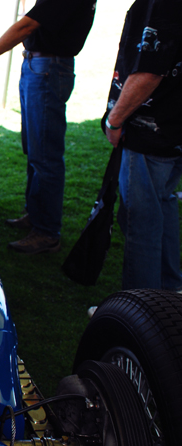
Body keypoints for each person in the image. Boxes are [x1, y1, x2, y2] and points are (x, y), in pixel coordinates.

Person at [0, 0, 96, 254]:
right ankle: (36, 215)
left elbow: (25, 27)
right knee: (35, 148)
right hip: (40, 66)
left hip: (48, 69)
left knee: (45, 155)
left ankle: (47, 232)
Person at [103, 0, 182, 290]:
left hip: (152, 132)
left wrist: (115, 119)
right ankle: (169, 294)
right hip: (169, 130)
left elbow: (149, 71)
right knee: (162, 205)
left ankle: (142, 309)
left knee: (142, 222)